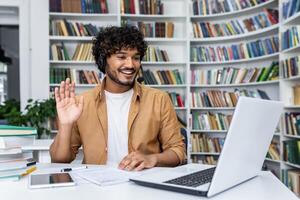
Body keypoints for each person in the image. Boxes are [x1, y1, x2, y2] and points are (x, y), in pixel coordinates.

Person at [50, 26, 186, 171]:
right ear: (104, 60)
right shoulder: (82, 103)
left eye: (136, 58)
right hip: (97, 187)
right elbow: (59, 160)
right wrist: (65, 125)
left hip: (143, 185)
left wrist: (151, 158)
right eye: (121, 57)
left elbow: (178, 152)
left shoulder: (159, 100)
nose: (130, 65)